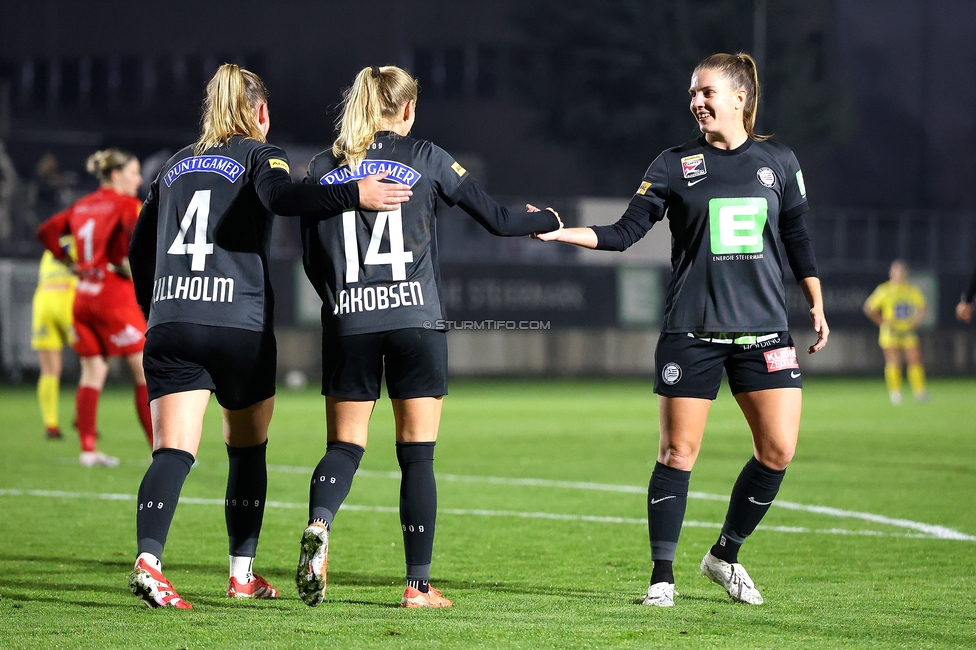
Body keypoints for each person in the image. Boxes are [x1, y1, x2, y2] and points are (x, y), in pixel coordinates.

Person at [535, 52, 828, 607]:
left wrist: (815, 302)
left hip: (765, 332)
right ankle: (662, 579)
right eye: (692, 93)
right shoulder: (674, 164)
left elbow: (796, 237)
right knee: (677, 453)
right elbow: (624, 233)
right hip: (692, 332)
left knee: (779, 450)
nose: (696, 101)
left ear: (740, 98)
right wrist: (559, 234)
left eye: (707, 92)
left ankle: (725, 555)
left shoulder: (780, 161)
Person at [125, 63, 413, 610]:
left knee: (172, 453)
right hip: (238, 325)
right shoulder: (262, 155)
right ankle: (241, 574)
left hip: (172, 321)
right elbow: (284, 199)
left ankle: (149, 561)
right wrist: (356, 194)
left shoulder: (172, 167)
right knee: (247, 449)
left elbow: (139, 250)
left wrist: (153, 306)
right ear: (258, 112)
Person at [297, 65, 561, 609]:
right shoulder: (427, 158)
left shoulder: (324, 167)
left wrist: (340, 302)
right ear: (409, 110)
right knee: (417, 457)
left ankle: (320, 525)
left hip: (349, 319)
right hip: (416, 320)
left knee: (344, 446)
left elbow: (310, 256)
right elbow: (496, 219)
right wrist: (546, 219)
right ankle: (417, 586)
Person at [36, 149, 153, 467]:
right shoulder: (126, 205)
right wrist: (133, 266)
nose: (139, 179)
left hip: (83, 297)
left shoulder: (82, 204)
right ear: (116, 175)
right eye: (134, 172)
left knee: (93, 371)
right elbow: (145, 239)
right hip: (113, 297)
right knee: (144, 371)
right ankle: (161, 450)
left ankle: (88, 450)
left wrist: (69, 261)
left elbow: (46, 232)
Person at [30, 236, 77, 439]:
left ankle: (51, 424)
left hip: (43, 302)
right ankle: (82, 418)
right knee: (94, 362)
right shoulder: (85, 239)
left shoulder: (52, 246)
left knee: (49, 369)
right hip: (69, 299)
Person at [863, 260, 928, 404]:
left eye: (902, 272)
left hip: (907, 331)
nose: (899, 274)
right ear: (891, 273)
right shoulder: (884, 290)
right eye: (896, 271)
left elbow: (922, 307)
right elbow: (869, 308)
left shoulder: (911, 290)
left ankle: (919, 392)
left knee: (915, 360)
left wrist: (916, 321)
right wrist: (882, 322)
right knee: (893, 362)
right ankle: (895, 393)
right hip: (891, 332)